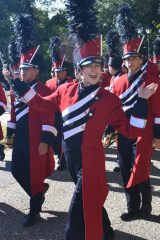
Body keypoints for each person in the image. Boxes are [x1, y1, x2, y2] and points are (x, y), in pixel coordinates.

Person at [10, 2, 158, 240]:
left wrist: (141, 102)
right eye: (89, 65)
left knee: (76, 222)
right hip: (72, 161)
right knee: (91, 202)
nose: (95, 70)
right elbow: (40, 104)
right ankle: (107, 231)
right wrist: (17, 84)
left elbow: (131, 131)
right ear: (78, 70)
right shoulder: (64, 91)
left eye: (98, 65)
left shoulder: (109, 99)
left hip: (92, 163)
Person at [7, 14, 57, 227]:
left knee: (35, 174)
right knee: (17, 171)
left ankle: (34, 210)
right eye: (21, 69)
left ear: (36, 71)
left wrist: (46, 140)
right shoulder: (16, 89)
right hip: (21, 138)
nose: (22, 72)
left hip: (37, 138)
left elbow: (49, 115)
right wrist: (10, 133)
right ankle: (38, 193)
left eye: (26, 69)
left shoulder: (44, 89)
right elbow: (13, 114)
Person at [113, 4, 160, 221]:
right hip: (123, 132)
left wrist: (158, 136)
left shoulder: (151, 80)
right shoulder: (119, 81)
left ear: (141, 59)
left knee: (140, 171)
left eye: (133, 58)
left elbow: (158, 111)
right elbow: (113, 108)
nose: (129, 61)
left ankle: (146, 208)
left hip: (144, 132)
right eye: (126, 59)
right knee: (124, 171)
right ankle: (132, 208)